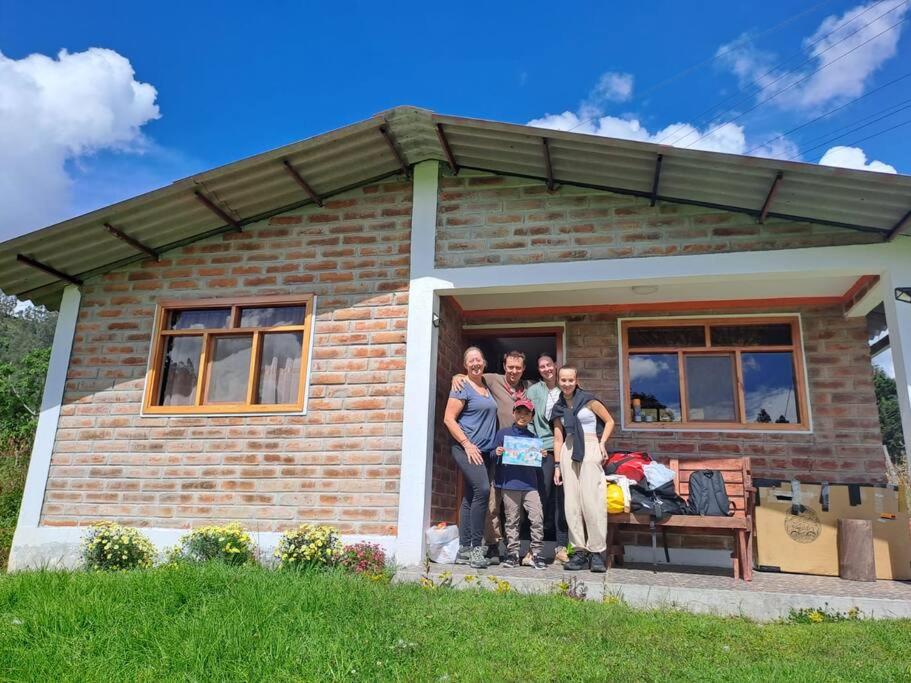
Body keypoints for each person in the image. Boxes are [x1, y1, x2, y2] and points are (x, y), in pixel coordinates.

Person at [452, 350, 533, 564]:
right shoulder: (491, 380)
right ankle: (488, 545)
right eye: (510, 366)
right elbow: (450, 416)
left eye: (518, 367)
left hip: (510, 453)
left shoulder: (528, 387)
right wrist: (456, 376)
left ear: (523, 369)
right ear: (504, 366)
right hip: (487, 450)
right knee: (488, 496)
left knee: (488, 498)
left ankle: (467, 549)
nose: (514, 370)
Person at [552, 366, 615, 573]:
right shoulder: (558, 407)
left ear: (576, 380)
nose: (567, 384)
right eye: (563, 380)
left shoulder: (589, 400)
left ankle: (597, 552)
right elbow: (558, 437)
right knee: (571, 504)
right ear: (559, 381)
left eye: (570, 380)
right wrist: (557, 466)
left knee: (592, 501)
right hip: (568, 451)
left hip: (589, 447)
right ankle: (578, 551)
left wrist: (602, 443)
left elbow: (609, 421)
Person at [443, 347, 499, 569]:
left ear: (484, 363)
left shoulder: (486, 386)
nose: (475, 363)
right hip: (465, 448)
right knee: (483, 490)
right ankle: (476, 547)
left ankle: (464, 549)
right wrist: (467, 444)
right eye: (470, 361)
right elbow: (449, 419)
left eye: (478, 359)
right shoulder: (461, 385)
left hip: (484, 452)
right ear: (465, 365)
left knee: (470, 496)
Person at [492, 398, 547, 570]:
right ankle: (513, 554)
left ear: (532, 416)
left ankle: (536, 553)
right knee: (511, 520)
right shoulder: (503, 434)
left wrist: (542, 456)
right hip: (510, 484)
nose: (523, 416)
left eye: (527, 413)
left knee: (537, 517)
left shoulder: (533, 438)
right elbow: (492, 457)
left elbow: (537, 463)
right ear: (513, 413)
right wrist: (497, 452)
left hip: (530, 485)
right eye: (519, 412)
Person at [527, 353, 570, 564]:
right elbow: (526, 418)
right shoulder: (533, 391)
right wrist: (533, 444)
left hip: (566, 450)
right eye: (542, 366)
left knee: (562, 499)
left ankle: (561, 546)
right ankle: (537, 547)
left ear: (555, 366)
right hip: (543, 450)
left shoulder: (566, 389)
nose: (546, 369)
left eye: (549, 365)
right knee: (541, 498)